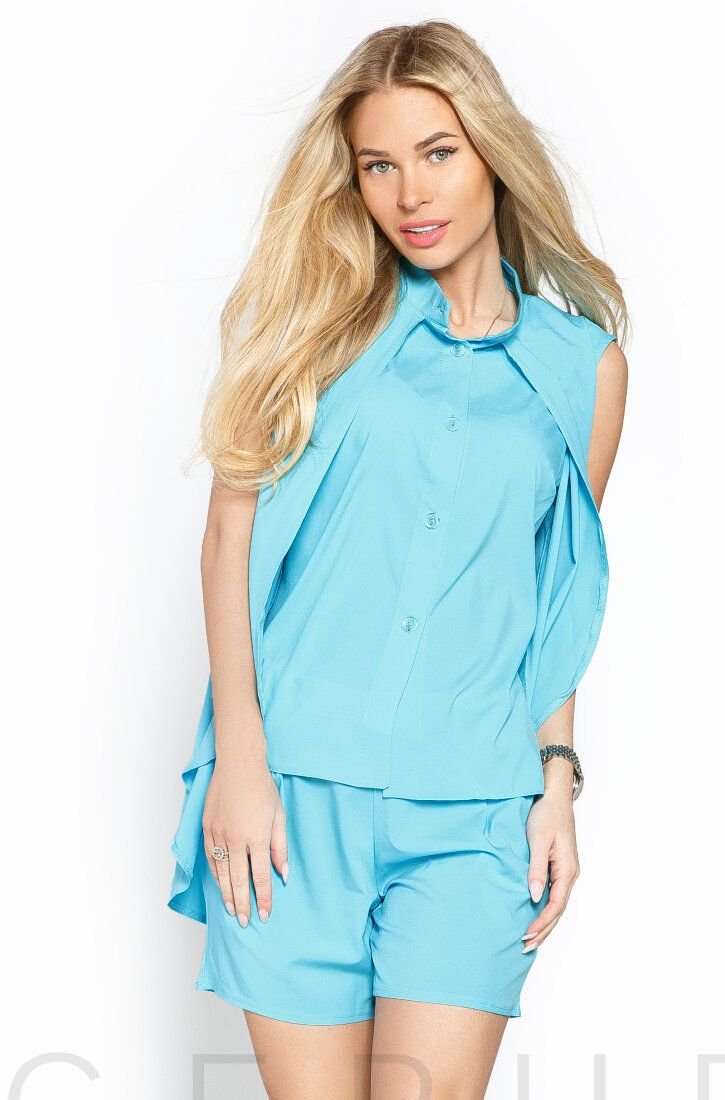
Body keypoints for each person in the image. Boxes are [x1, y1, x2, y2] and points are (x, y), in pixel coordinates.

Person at [167, 18, 628, 1099]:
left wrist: (557, 777)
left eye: (437, 153)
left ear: (492, 152)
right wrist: (240, 761)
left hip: (475, 809)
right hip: (292, 799)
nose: (410, 193)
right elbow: (229, 532)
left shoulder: (585, 367)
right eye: (378, 165)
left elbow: (555, 593)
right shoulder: (315, 327)